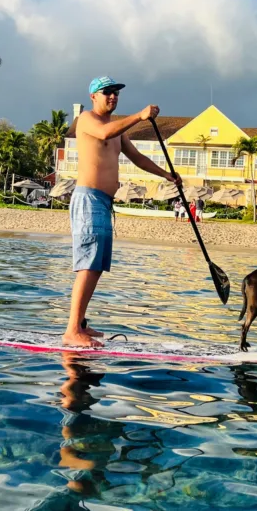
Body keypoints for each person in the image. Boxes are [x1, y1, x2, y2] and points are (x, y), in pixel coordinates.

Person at [64, 77, 181, 348]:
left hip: (104, 202)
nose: (113, 97)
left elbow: (137, 157)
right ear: (93, 96)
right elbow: (104, 134)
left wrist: (166, 174)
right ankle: (72, 330)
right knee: (88, 264)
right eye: (107, 93)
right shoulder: (86, 119)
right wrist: (139, 116)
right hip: (88, 199)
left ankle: (80, 324)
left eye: (116, 93)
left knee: (98, 266)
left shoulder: (117, 130)